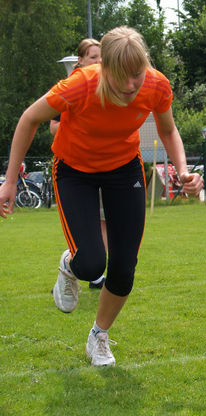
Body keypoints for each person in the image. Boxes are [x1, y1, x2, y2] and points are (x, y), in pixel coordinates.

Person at [0, 26, 203, 365]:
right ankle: (69, 264)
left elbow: (168, 129)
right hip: (74, 170)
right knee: (91, 262)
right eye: (121, 77)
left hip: (123, 169)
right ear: (103, 67)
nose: (129, 86)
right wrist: (9, 182)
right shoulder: (78, 86)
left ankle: (99, 336)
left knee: (124, 268)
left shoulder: (156, 84)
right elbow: (28, 119)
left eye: (136, 76)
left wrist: (182, 171)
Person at [50, 38, 106, 289]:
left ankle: (98, 272)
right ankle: (80, 264)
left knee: (105, 221)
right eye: (93, 57)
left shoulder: (110, 85)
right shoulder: (70, 87)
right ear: (81, 60)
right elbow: (53, 125)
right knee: (89, 222)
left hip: (108, 166)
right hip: (76, 168)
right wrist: (80, 129)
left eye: (102, 56)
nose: (99, 62)